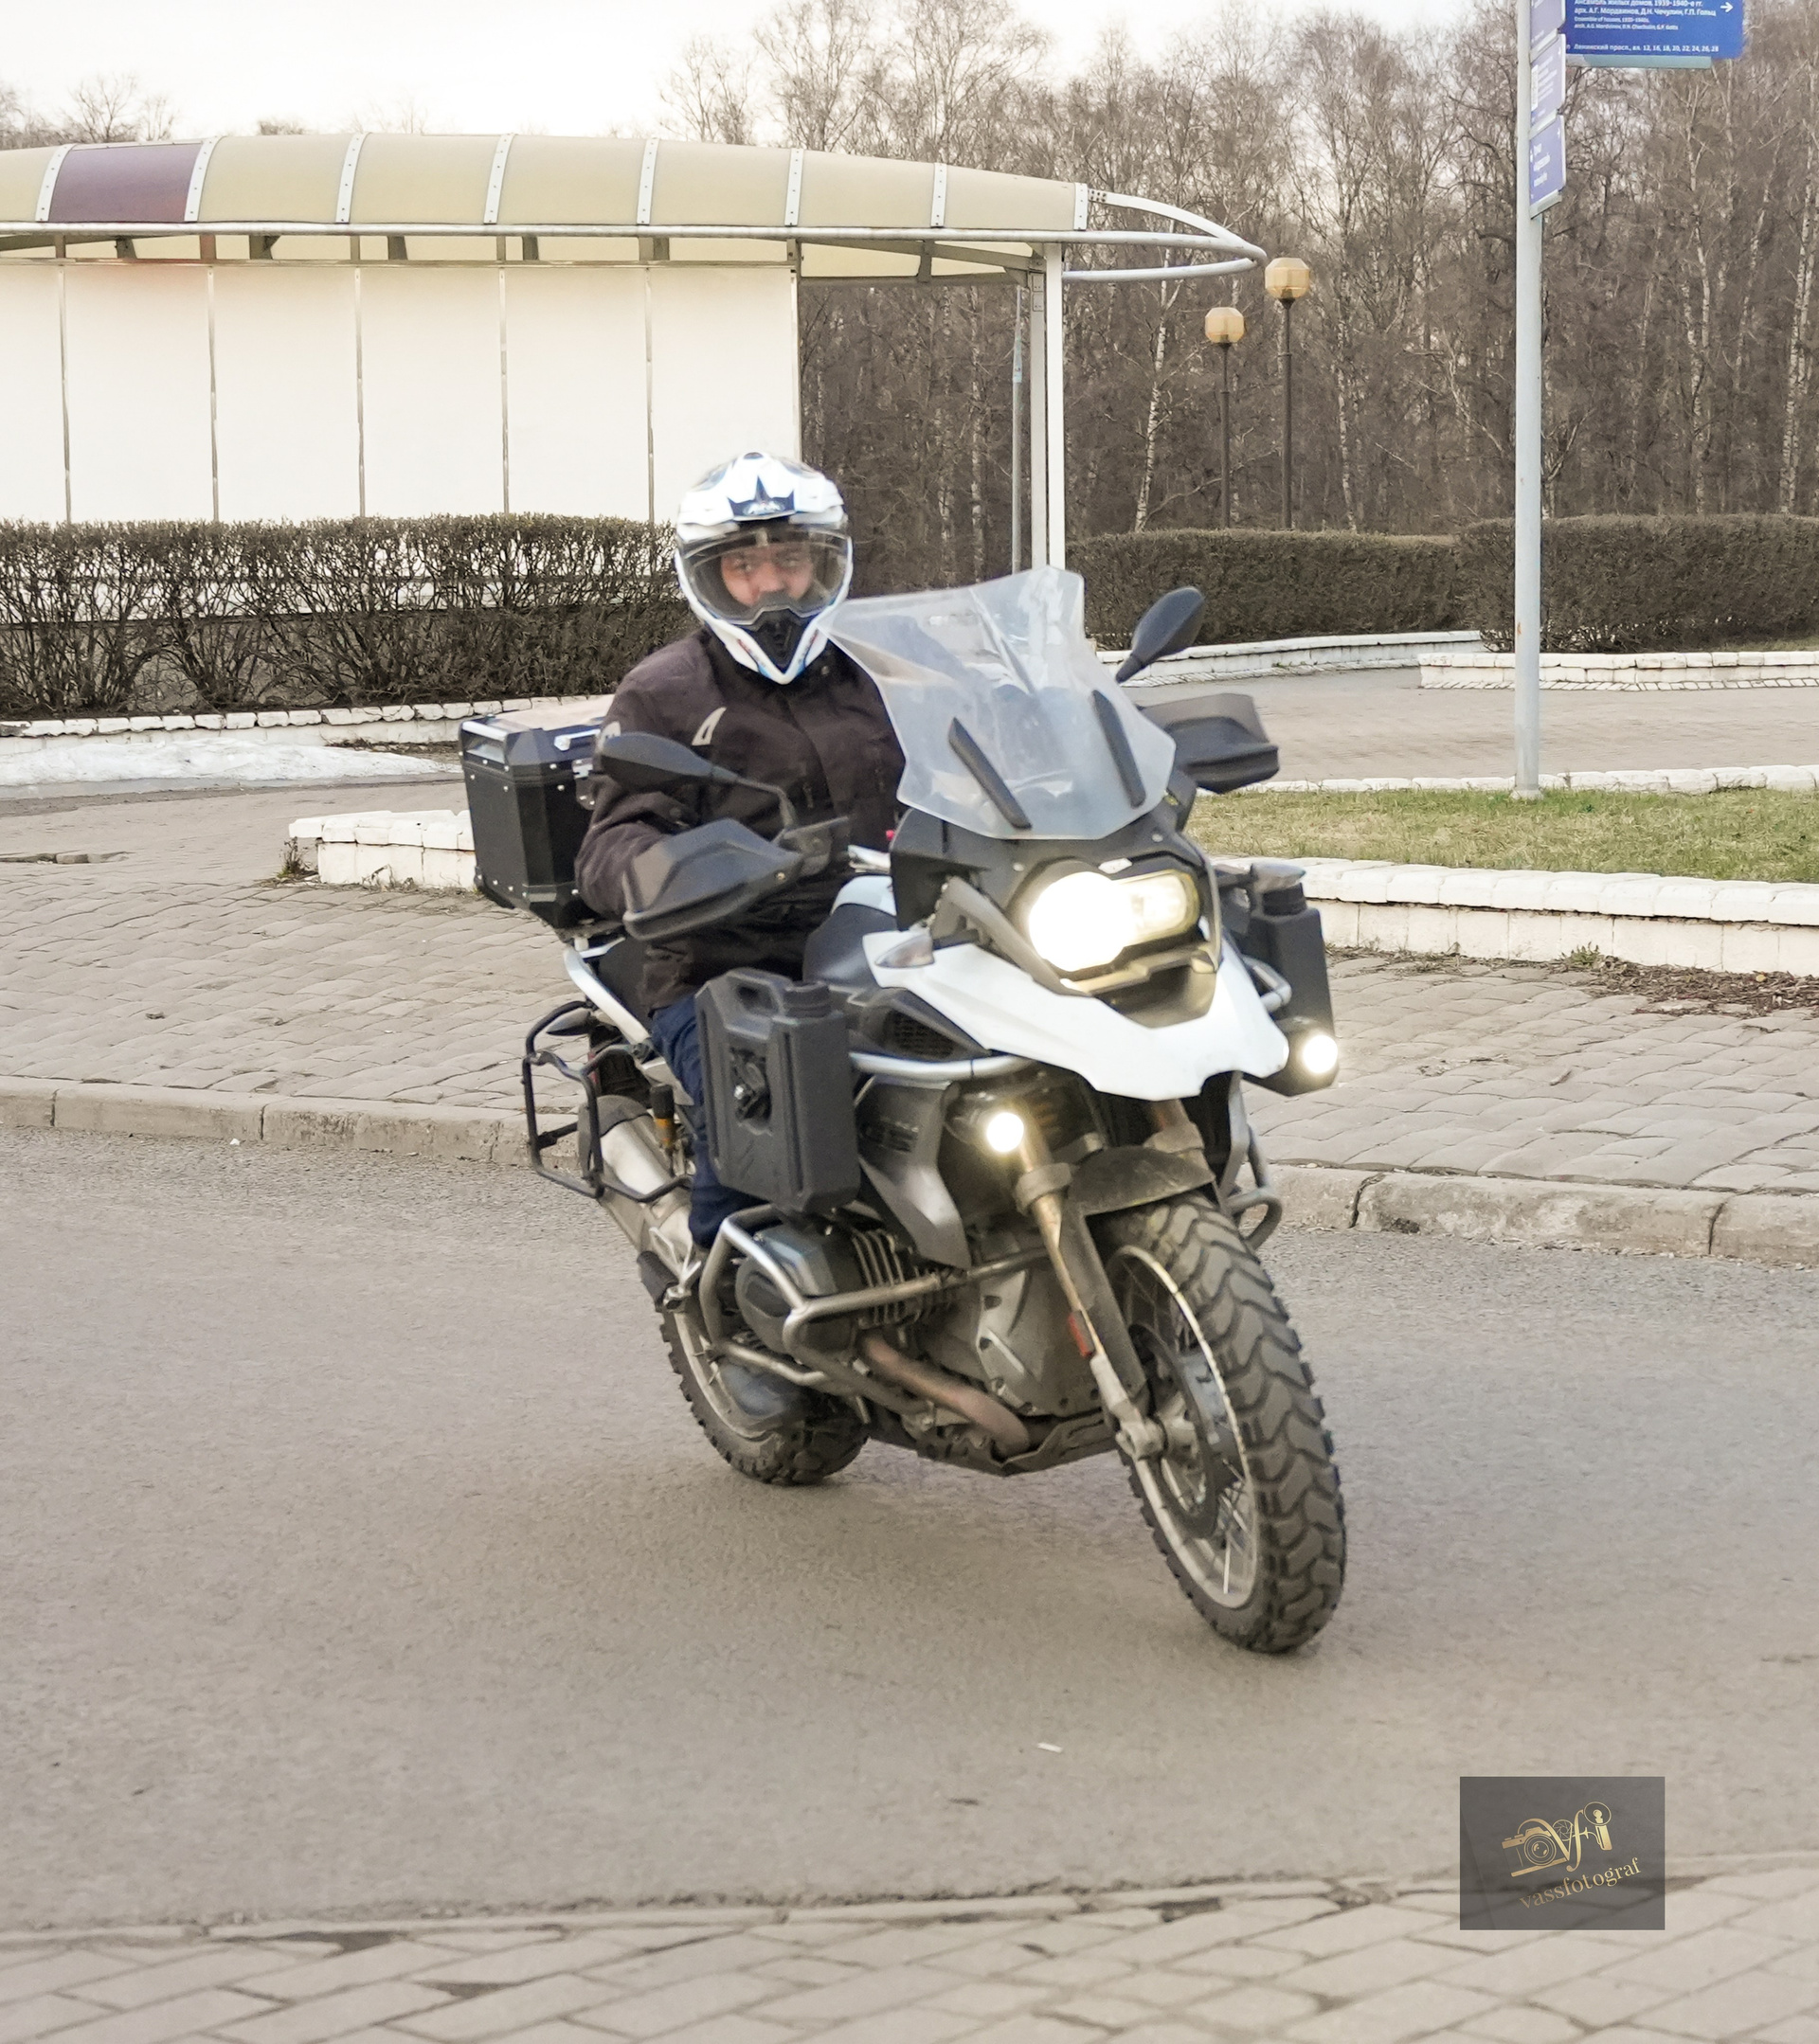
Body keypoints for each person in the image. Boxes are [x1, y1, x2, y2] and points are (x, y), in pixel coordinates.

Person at [575, 452, 905, 1249]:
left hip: (893, 945)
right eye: (744, 567)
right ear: (710, 577)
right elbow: (612, 838)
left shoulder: (885, 674)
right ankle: (731, 1282)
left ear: (825, 564)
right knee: (774, 1119)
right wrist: (672, 874)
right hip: (726, 965)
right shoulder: (665, 692)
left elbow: (981, 758)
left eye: (790, 559)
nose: (771, 586)